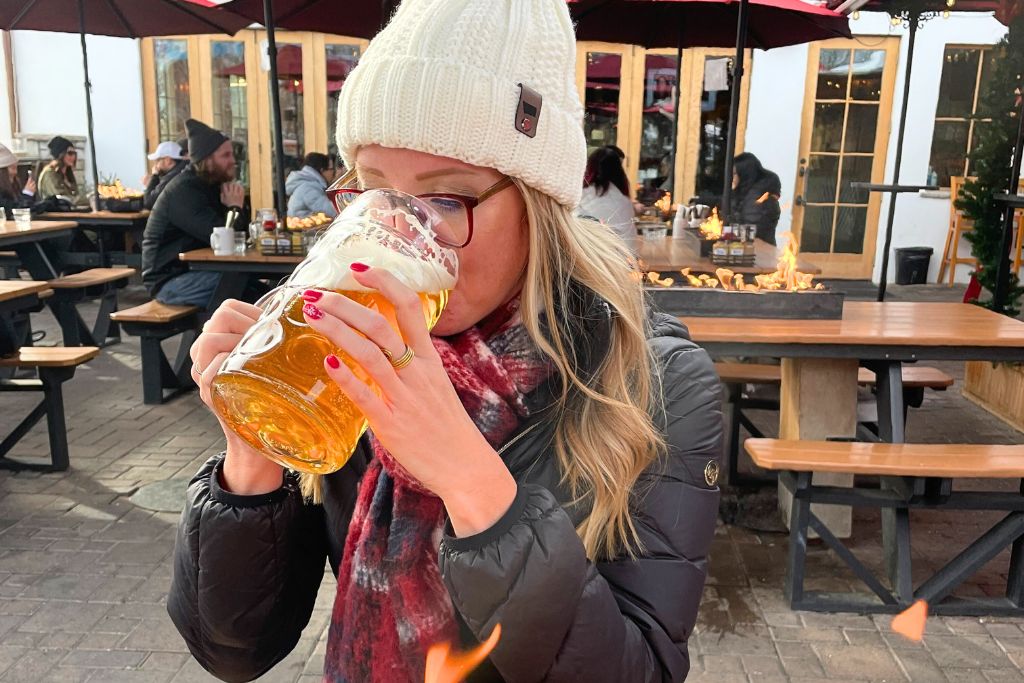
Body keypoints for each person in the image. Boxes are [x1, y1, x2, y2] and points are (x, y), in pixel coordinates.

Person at [169, 1, 722, 682]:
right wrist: (250, 459)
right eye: (374, 193)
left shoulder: (656, 383)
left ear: (539, 202)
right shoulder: (344, 345)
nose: (399, 238)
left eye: (446, 200)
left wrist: (471, 481)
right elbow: (235, 649)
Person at [141, 119, 246, 308]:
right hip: (170, 282)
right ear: (207, 160)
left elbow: (243, 237)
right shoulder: (184, 191)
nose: (233, 161)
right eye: (226, 155)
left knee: (256, 288)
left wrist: (236, 208)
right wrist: (234, 208)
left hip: (200, 272)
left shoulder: (213, 184)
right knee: (242, 289)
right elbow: (222, 240)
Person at [578, 145, 636, 243]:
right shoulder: (624, 203)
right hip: (614, 256)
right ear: (619, 172)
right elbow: (631, 245)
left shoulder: (577, 198)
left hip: (581, 253)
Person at [730, 152, 782, 246]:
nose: (732, 178)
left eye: (734, 174)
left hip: (758, 250)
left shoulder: (757, 197)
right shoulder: (745, 190)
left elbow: (754, 230)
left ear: (744, 174)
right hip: (753, 247)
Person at [285, 151, 338, 218]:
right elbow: (330, 210)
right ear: (322, 170)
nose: (334, 173)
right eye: (331, 169)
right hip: (303, 226)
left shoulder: (307, 183)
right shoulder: (309, 187)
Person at [37, 136, 84, 206]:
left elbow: (75, 195)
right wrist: (88, 199)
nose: (73, 157)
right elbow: (62, 198)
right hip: (54, 214)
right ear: (60, 154)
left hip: (69, 212)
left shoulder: (68, 174)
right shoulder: (49, 173)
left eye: (75, 153)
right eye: (70, 153)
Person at [143, 140, 188, 210]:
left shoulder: (172, 177)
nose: (155, 165)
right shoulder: (182, 170)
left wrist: (154, 177)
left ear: (168, 160)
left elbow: (149, 202)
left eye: (157, 160)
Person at [0, 143, 36, 218]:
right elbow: (13, 211)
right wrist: (27, 194)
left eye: (16, 168)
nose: (15, 173)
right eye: (12, 168)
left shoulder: (13, 185)